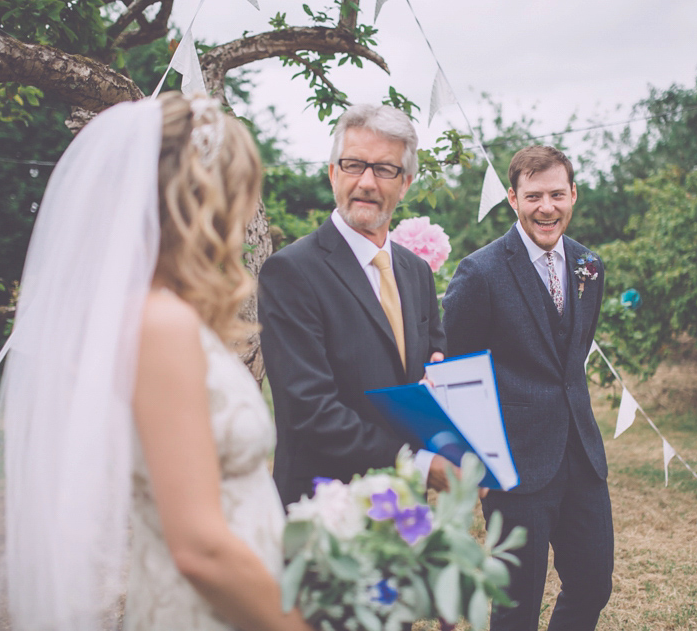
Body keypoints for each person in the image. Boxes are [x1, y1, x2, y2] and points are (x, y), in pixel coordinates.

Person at [0, 93, 313, 631]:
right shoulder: (159, 325)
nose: (245, 221)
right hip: (213, 611)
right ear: (200, 202)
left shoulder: (160, 313)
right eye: (241, 199)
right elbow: (200, 546)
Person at [442, 146, 613, 631]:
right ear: (513, 199)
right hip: (514, 466)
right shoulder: (481, 271)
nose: (547, 207)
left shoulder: (589, 266)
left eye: (557, 194)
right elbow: (454, 370)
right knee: (517, 606)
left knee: (593, 583)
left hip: (582, 455)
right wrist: (479, 460)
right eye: (534, 196)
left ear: (573, 195)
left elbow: (572, 358)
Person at [258, 104, 451, 508]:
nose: (366, 181)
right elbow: (309, 411)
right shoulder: (290, 272)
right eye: (353, 165)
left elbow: (433, 361)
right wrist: (416, 462)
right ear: (332, 173)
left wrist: (443, 384)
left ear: (406, 183)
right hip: (326, 513)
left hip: (405, 512)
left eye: (384, 169)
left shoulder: (416, 271)